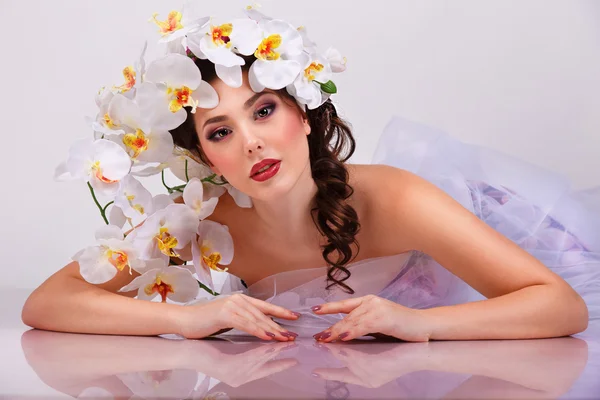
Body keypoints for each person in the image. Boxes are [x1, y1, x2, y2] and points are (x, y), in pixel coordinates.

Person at [22, 6, 599, 343]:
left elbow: (561, 306)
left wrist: (419, 324)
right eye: (220, 131)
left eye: (264, 110)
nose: (251, 143)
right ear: (203, 159)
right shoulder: (204, 226)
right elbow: (48, 303)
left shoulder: (395, 201)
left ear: (303, 115)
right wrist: (193, 319)